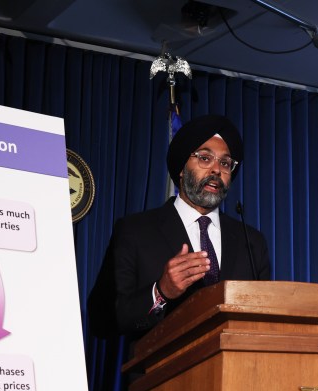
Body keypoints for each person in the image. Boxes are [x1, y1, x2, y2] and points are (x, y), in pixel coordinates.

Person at [88, 114, 271, 340]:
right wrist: (161, 292)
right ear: (182, 168)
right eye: (205, 158)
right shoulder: (135, 231)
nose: (216, 170)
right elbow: (101, 320)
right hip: (162, 372)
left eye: (225, 163)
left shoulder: (251, 242)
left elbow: (265, 320)